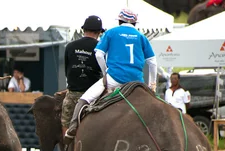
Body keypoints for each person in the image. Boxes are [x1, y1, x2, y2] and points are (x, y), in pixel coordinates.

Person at [65, 8, 157, 141]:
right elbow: (152, 62)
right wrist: (152, 85)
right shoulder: (141, 36)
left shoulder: (111, 32)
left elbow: (99, 54)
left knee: (84, 99)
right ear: (134, 24)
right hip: (137, 81)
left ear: (120, 21)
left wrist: (104, 74)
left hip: (114, 78)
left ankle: (73, 128)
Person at [61, 15, 104, 137]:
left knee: (65, 122)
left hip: (73, 95)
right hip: (94, 97)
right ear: (99, 32)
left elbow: (67, 71)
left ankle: (68, 150)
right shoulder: (100, 48)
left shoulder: (70, 46)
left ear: (83, 30)